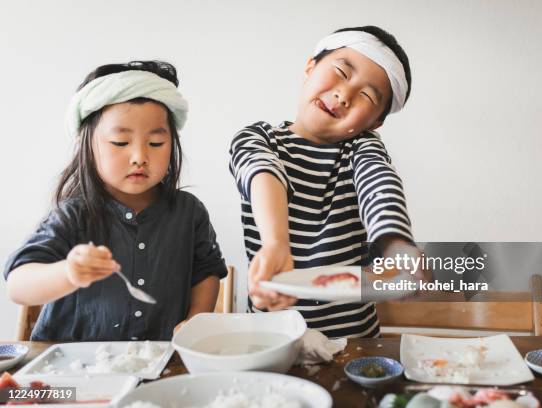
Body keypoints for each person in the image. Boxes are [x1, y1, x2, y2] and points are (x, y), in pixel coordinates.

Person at [4, 61, 227, 341]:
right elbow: (18, 285)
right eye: (121, 143)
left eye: (156, 143)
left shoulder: (188, 211)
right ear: (85, 145)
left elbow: (205, 273)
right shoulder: (73, 215)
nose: (139, 156)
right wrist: (68, 273)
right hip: (73, 369)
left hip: (159, 361)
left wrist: (196, 319)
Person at [230, 26, 422, 338]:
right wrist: (276, 243)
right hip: (269, 338)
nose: (344, 95)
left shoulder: (364, 148)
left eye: (366, 95)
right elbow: (262, 172)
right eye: (340, 72)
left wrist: (396, 244)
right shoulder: (258, 138)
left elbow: (379, 183)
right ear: (310, 67)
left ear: (375, 122)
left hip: (353, 344)